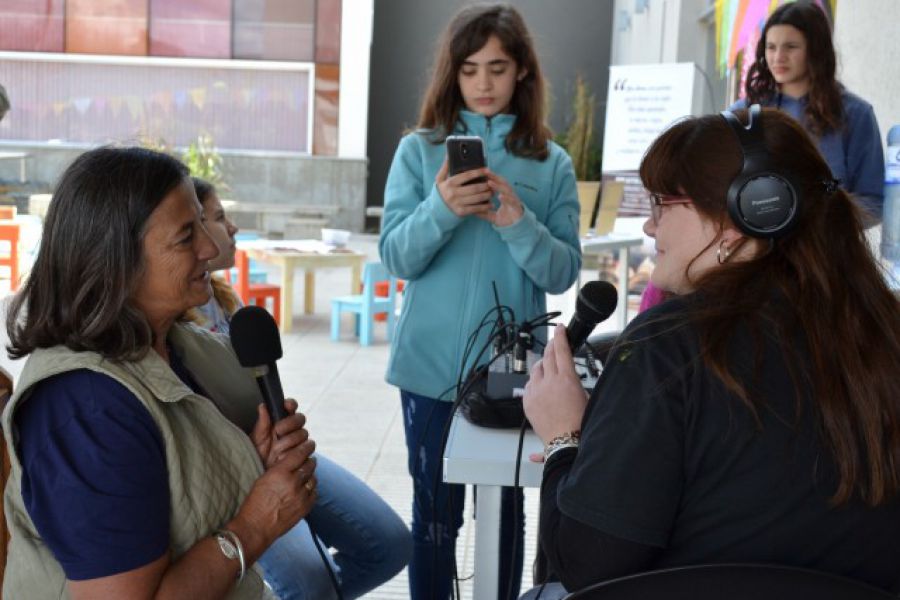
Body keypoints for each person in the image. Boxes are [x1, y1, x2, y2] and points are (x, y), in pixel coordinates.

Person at [520, 107, 900, 599]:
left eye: (663, 204)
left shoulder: (665, 346)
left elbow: (587, 563)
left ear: (742, 214)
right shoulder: (884, 334)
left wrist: (563, 437)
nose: (650, 229)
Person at [2, 147, 318, 599]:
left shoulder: (179, 346)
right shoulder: (87, 408)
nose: (211, 247)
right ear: (116, 261)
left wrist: (248, 461)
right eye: (186, 236)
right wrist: (255, 525)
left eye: (203, 226)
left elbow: (177, 493)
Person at [379, 4, 582, 599]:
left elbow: (564, 270)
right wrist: (442, 208)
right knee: (434, 517)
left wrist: (517, 221)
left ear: (522, 71)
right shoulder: (419, 152)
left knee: (507, 511)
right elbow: (397, 258)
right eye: (470, 69)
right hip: (427, 367)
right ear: (453, 74)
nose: (485, 83)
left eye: (498, 67)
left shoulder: (552, 162)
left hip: (511, 373)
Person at [189, 177, 412, 600]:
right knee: (311, 582)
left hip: (280, 452)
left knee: (390, 546)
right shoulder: (170, 327)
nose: (233, 227)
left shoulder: (226, 301)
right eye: (219, 218)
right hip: (237, 473)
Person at [731, 0, 884, 221]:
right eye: (771, 47)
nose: (778, 57)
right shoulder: (743, 114)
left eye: (791, 47)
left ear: (816, 50)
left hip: (827, 251)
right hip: (758, 250)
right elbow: (718, 184)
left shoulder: (856, 114)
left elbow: (874, 201)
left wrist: (817, 220)